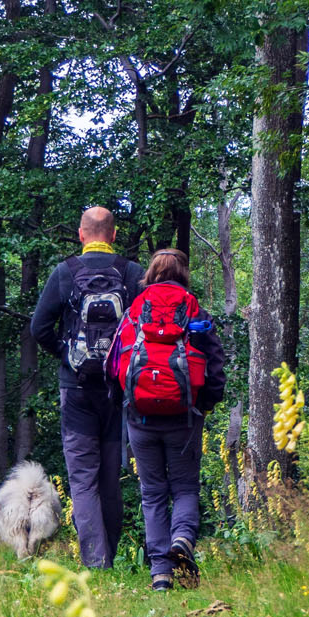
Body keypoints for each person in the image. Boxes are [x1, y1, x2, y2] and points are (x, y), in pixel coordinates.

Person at [28, 206, 145, 569]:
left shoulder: (65, 272)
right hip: (118, 389)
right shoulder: (132, 273)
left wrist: (66, 354)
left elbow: (39, 328)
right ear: (113, 234)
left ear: (81, 235)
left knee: (82, 478)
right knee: (110, 476)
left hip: (76, 389)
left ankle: (97, 563)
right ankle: (107, 553)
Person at [111, 248, 226, 591]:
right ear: (183, 274)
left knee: (153, 493)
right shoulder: (193, 309)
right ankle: (182, 539)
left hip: (141, 416)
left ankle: (160, 574)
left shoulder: (136, 309)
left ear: (152, 273)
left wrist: (128, 401)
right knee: (186, 487)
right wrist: (205, 403)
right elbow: (214, 362)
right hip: (184, 416)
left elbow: (118, 361)